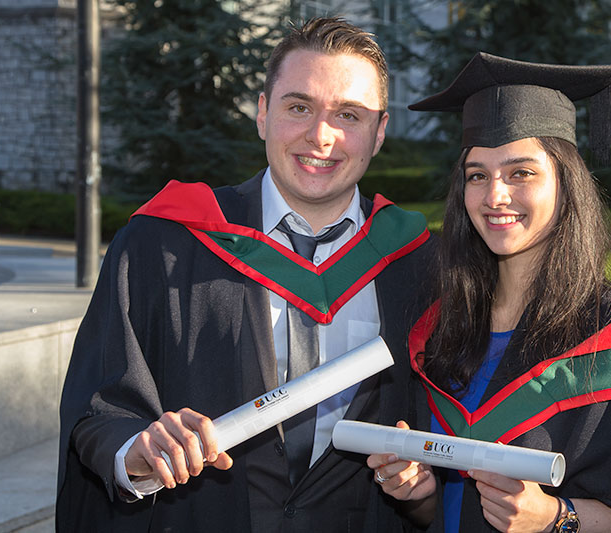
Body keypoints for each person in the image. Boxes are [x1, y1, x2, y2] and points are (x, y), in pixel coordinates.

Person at [56, 17, 437, 532]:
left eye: (348, 114)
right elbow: (97, 405)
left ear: (380, 132)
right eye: (298, 107)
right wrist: (136, 450)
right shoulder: (164, 245)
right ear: (262, 113)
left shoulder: (418, 265)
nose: (320, 136)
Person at [368, 52, 611, 532]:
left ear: (566, 184)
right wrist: (418, 495)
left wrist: (556, 516)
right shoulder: (442, 328)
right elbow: (446, 513)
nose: (495, 196)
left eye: (521, 173)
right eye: (477, 175)